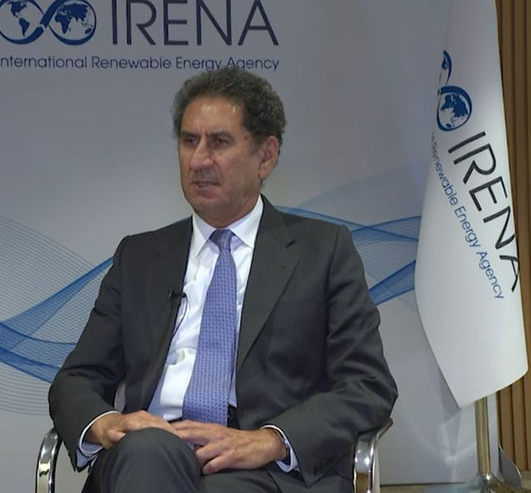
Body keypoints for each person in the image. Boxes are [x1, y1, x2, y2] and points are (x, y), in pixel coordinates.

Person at [48, 67, 397, 493]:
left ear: (265, 156)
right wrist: (105, 424)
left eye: (218, 142)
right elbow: (77, 378)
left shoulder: (323, 251)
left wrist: (271, 440)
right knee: (147, 453)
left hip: (264, 469)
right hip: (151, 454)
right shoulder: (139, 257)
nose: (198, 160)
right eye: (189, 141)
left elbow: (367, 386)